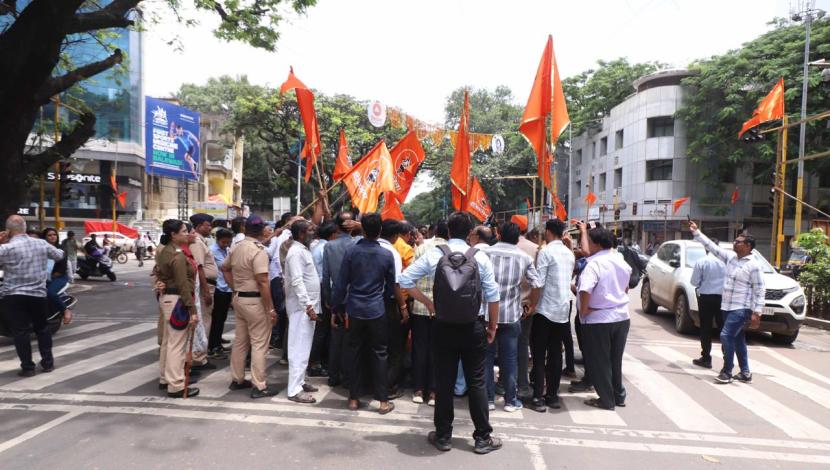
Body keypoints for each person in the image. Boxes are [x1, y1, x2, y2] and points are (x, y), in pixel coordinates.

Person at [400, 211, 502, 455]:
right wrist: (492, 327)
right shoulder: (480, 257)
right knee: (476, 381)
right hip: (472, 327)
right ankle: (482, 438)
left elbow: (404, 280)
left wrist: (428, 303)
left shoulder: (435, 254)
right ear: (469, 233)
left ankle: (444, 436)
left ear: (446, 231)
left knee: (444, 381)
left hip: (442, 325)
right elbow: (493, 296)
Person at [332, 213, 396, 414]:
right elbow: (390, 287)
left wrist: (337, 308)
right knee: (380, 354)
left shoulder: (351, 252)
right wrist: (384, 304)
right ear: (379, 231)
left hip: (355, 309)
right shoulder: (387, 255)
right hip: (376, 309)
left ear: (362, 230)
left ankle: (353, 398)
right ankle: (383, 401)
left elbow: (341, 284)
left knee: (354, 352)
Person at [690, 221, 764, 384]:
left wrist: (757, 313)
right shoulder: (730, 258)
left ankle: (727, 371)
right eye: (735, 241)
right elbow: (712, 247)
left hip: (741, 308)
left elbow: (760, 289)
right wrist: (697, 233)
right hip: (726, 306)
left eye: (738, 242)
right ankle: (745, 372)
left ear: (748, 246)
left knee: (726, 335)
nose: (734, 243)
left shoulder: (753, 266)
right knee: (738, 339)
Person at [483, 222, 541, 412]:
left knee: (487, 359)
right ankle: (510, 401)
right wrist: (531, 305)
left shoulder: (485, 253)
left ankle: (488, 400)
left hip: (486, 315)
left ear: (498, 234)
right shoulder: (524, 257)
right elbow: (537, 283)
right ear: (517, 239)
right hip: (511, 316)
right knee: (510, 360)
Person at [0, 216, 65, 376]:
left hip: (13, 295)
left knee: (20, 332)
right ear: (24, 227)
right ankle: (48, 363)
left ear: (8, 231)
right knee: (42, 329)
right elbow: (59, 255)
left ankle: (28, 367)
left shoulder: (6, 249)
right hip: (37, 294)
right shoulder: (41, 243)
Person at [222, 215, 278, 398]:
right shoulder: (258, 250)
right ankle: (259, 385)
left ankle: (237, 379)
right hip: (255, 301)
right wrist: (270, 308)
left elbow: (225, 268)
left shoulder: (236, 247)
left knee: (240, 341)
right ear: (262, 230)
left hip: (239, 299)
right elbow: (263, 281)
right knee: (259, 343)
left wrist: (234, 288)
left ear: (245, 229)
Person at [576, 223, 631, 410]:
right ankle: (619, 395)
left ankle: (607, 399)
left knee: (599, 361)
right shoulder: (621, 261)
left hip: (599, 318)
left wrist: (583, 310)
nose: (587, 246)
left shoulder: (594, 264)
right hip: (621, 316)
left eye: (589, 242)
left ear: (597, 244)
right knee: (615, 359)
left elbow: (585, 289)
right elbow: (626, 288)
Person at [528, 219, 575, 412]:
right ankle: (552, 395)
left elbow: (538, 282)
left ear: (548, 232)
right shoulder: (569, 254)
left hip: (545, 310)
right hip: (562, 310)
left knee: (539, 355)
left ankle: (538, 396)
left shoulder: (546, 252)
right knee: (556, 354)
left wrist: (532, 306)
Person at [155, 219, 200, 398]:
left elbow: (159, 274)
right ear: (173, 235)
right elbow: (183, 284)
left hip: (167, 298)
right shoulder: (178, 255)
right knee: (176, 345)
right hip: (177, 300)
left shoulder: (165, 251)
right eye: (183, 231)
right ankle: (176, 385)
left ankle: (165, 378)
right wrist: (192, 310)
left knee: (168, 342)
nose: (186, 234)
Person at [282, 219, 321, 403]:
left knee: (304, 347)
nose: (314, 232)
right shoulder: (296, 252)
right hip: (302, 308)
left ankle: (301, 381)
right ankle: (294, 390)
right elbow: (297, 282)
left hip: (306, 307)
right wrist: (308, 307)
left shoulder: (302, 250)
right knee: (298, 348)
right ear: (301, 234)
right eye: (310, 230)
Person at [410, 220, 448, 406]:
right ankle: (433, 392)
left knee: (419, 349)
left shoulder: (421, 248)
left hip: (420, 306)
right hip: (443, 309)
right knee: (438, 351)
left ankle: (418, 390)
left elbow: (409, 276)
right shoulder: (453, 252)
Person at [321, 211, 358, 387]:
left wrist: (329, 298)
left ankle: (333, 375)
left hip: (338, 296)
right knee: (352, 340)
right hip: (355, 298)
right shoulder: (358, 243)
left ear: (336, 226)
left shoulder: (329, 246)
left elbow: (326, 275)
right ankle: (348, 376)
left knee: (337, 339)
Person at [379, 219, 410, 399]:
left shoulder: (362, 246)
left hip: (365, 304)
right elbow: (396, 283)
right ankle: (389, 387)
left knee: (376, 347)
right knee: (394, 348)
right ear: (397, 235)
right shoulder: (393, 252)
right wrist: (403, 306)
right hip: (389, 304)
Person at [690, 237, 726, 369]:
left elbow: (694, 282)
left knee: (705, 328)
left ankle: (706, 358)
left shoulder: (702, 261)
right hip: (723, 299)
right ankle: (727, 361)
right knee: (724, 329)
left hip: (706, 298)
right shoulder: (726, 261)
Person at [189, 213, 219, 367]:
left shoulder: (201, 241)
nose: (210, 228)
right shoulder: (196, 242)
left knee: (207, 320)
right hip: (204, 286)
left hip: (209, 284)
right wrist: (206, 291)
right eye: (208, 225)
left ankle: (200, 355)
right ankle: (199, 357)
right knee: (203, 321)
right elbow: (199, 267)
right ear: (200, 226)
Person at [308, 220, 337, 377]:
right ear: (333, 235)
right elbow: (327, 274)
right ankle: (316, 363)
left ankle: (317, 361)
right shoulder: (326, 247)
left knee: (321, 327)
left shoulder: (317, 246)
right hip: (323, 288)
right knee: (323, 327)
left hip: (317, 287)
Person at [516, 218, 539, 400]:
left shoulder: (499, 248)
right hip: (525, 305)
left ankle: (501, 384)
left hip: (502, 306)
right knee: (523, 344)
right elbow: (537, 281)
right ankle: (522, 384)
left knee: (500, 345)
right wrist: (533, 304)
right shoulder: (534, 249)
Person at [208, 229, 234, 358]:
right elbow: (225, 266)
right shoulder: (213, 251)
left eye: (228, 242)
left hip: (227, 288)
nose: (226, 244)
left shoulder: (226, 250)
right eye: (224, 242)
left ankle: (217, 342)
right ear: (218, 240)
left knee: (222, 318)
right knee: (217, 319)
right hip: (219, 288)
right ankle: (213, 346)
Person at [42, 228, 73, 326]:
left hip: (58, 277)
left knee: (49, 292)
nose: (52, 237)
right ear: (44, 237)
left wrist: (48, 277)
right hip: (42, 277)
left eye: (54, 234)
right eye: (49, 235)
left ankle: (65, 310)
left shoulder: (61, 249)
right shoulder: (41, 249)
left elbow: (61, 270)